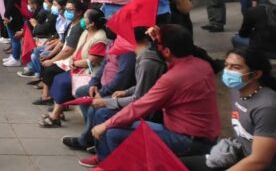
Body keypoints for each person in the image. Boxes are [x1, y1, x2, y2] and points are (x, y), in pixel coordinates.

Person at [84, 25, 220, 167]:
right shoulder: (202, 65)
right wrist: (158, 38)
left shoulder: (171, 77)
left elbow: (139, 106)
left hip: (187, 140)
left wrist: (105, 125)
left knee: (113, 133)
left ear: (166, 51)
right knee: (113, 124)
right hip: (200, 135)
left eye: (157, 44)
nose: (154, 46)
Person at [182, 47, 276, 170]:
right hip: (240, 156)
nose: (228, 71)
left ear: (256, 74)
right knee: (176, 164)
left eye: (236, 67)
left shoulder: (267, 107)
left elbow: (259, 160)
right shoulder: (237, 90)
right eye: (226, 65)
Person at [39, 8, 108, 128]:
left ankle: (55, 116)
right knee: (58, 78)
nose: (83, 20)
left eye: (85, 18)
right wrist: (72, 59)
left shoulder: (100, 38)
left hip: (88, 72)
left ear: (92, 23)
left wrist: (75, 63)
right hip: (76, 66)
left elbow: (92, 61)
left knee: (63, 82)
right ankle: (58, 113)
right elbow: (77, 51)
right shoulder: (86, 32)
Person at [0, 0, 26, 67]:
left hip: (14, 15)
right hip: (12, 14)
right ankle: (14, 55)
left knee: (15, 37)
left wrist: (6, 15)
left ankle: (16, 58)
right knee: (12, 37)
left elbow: (10, 3)